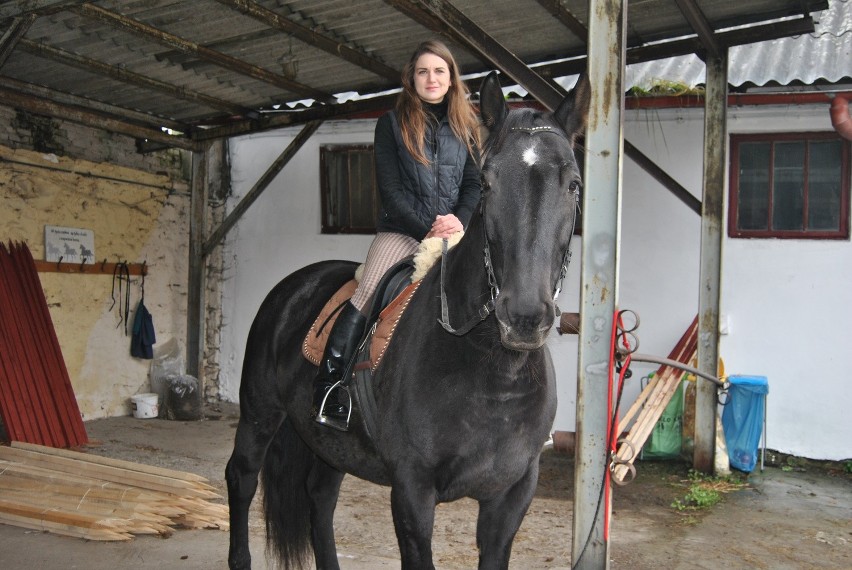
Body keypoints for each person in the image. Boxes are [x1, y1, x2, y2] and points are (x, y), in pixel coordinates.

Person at [312, 39, 483, 430]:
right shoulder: (391, 124)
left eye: (439, 71)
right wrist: (427, 228)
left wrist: (459, 220)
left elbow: (473, 184)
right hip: (403, 231)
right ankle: (332, 386)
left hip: (454, 231)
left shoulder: (468, 127)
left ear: (451, 78)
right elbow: (390, 190)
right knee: (369, 289)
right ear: (412, 78)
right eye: (423, 71)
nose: (431, 78)